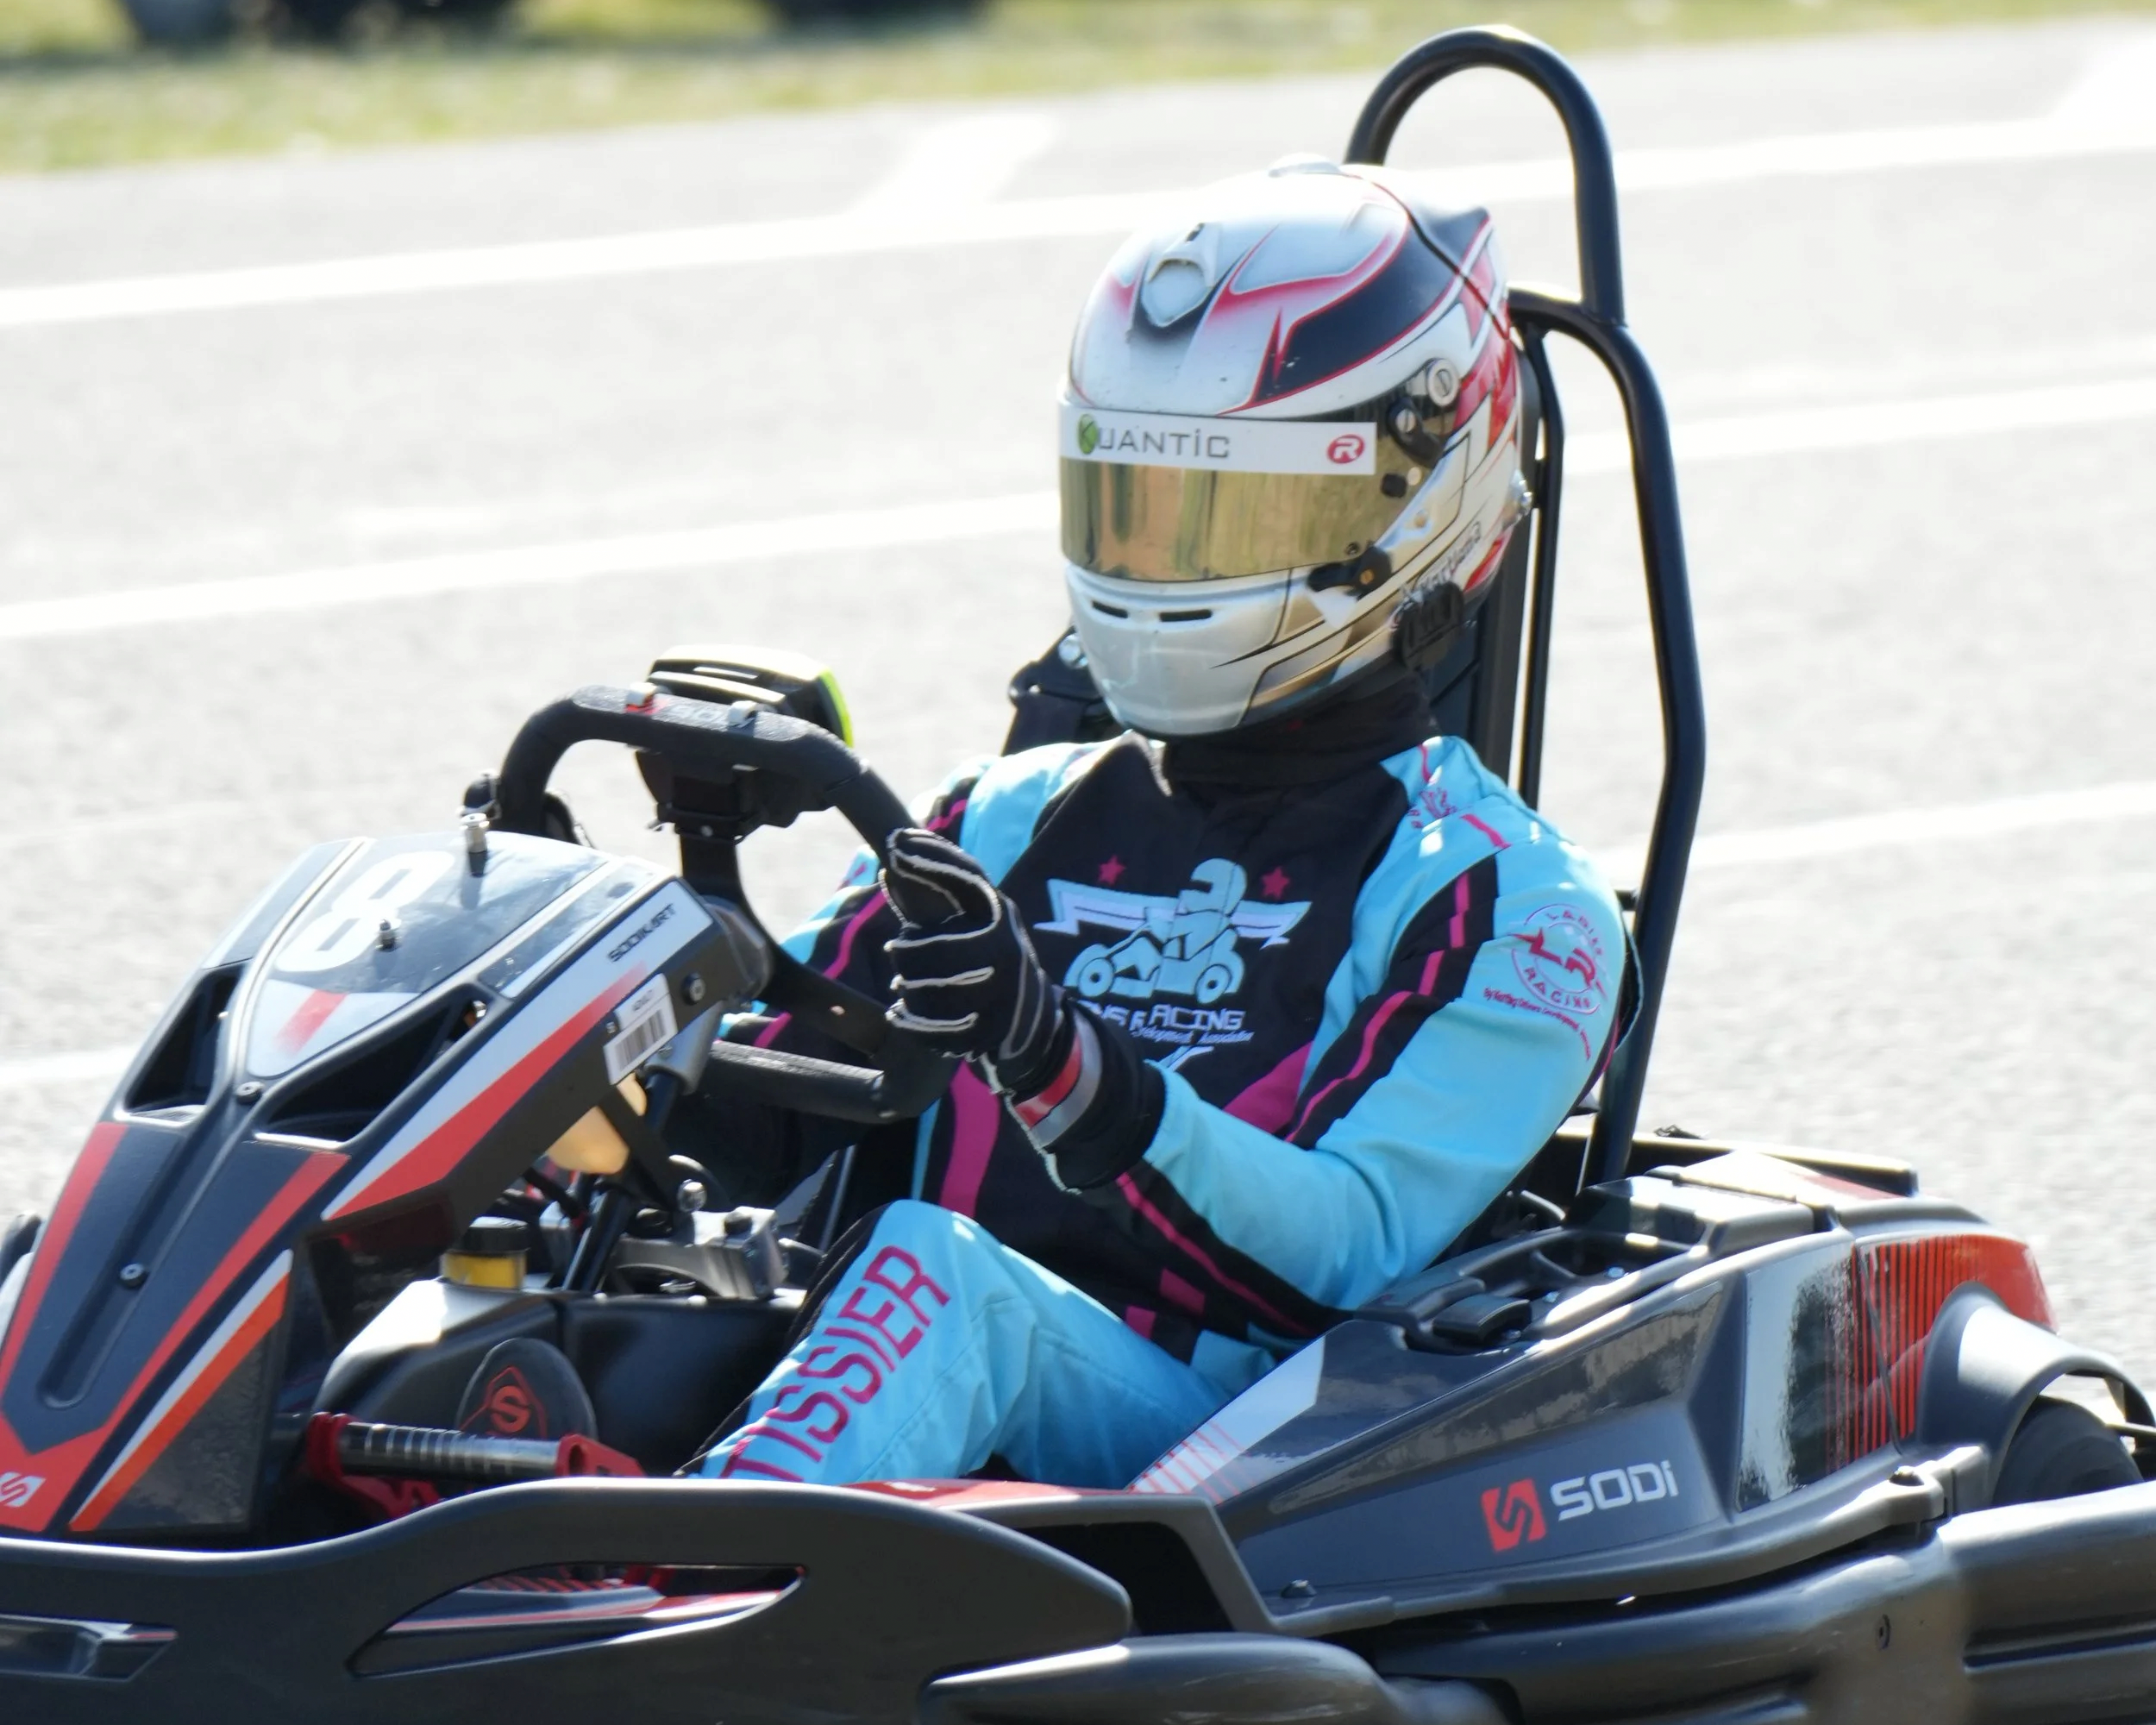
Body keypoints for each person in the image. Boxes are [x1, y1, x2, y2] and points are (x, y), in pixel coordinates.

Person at [684, 157, 1625, 1490]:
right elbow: (775, 1091)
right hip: (911, 1379)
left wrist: (1059, 1059)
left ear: (1414, 512)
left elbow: (1348, 1248)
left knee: (945, 1284)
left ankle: (670, 1583)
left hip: (1229, 1443)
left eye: (1238, 512)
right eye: (1145, 506)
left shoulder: (1509, 906)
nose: (1173, 565)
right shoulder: (1001, 818)